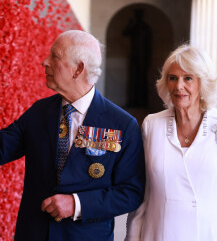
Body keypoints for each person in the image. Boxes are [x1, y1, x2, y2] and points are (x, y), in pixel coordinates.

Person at [0, 30, 145, 241]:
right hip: (34, 234)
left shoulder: (123, 124)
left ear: (78, 69)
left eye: (55, 56)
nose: (44, 62)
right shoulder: (39, 112)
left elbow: (131, 192)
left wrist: (77, 204)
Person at [125, 44, 217, 241]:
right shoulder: (152, 125)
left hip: (209, 234)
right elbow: (143, 194)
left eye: (188, 78)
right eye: (172, 78)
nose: (178, 86)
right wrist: (131, 237)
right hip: (158, 233)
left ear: (203, 83)